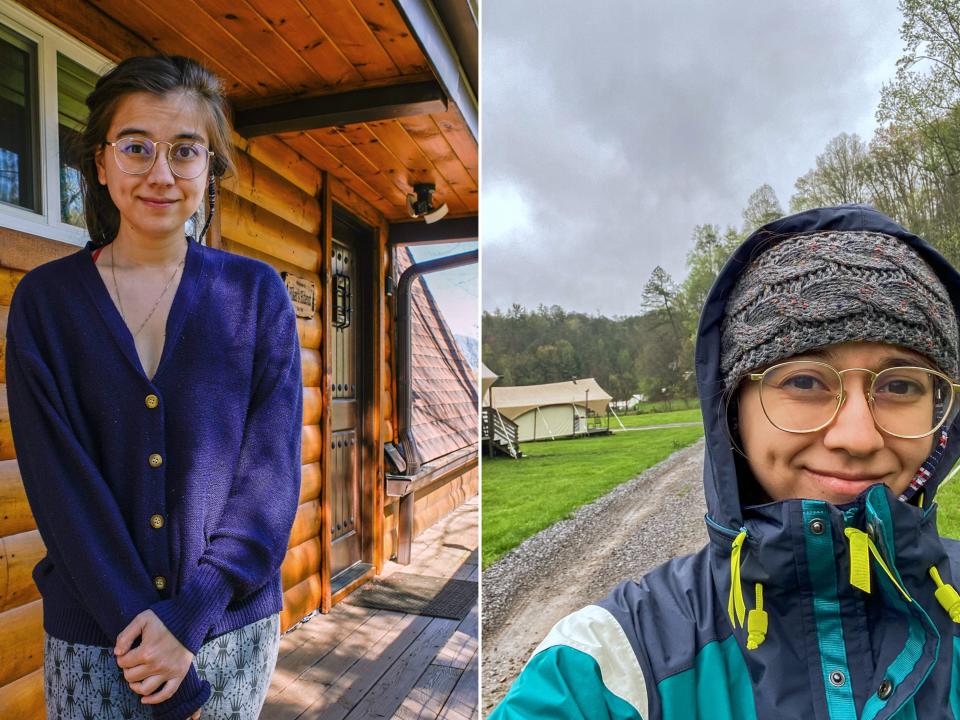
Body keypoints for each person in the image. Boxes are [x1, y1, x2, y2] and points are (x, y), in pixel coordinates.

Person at [489, 204, 960, 718]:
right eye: (804, 381)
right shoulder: (610, 663)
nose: (858, 437)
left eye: (900, 386)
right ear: (733, 409)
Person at [5, 55, 303, 720]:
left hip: (228, 629)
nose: (161, 173)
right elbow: (61, 490)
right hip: (97, 639)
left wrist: (191, 613)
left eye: (185, 150)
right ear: (102, 161)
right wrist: (149, 638)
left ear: (209, 169)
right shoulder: (46, 305)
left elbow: (270, 480)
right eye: (137, 146)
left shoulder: (257, 297)